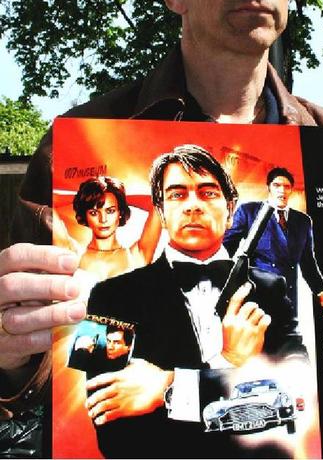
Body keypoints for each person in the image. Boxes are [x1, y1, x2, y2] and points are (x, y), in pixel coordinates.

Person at [0, 0, 323, 455]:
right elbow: (93, 413)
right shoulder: (77, 157)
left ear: (233, 206)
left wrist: (176, 386)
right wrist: (9, 351)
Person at [84, 144, 307, 458]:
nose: (192, 206)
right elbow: (111, 434)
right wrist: (228, 363)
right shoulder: (105, 297)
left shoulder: (271, 289)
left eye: (208, 193)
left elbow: (297, 396)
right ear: (160, 212)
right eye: (177, 194)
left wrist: (169, 387)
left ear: (231, 210)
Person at [224, 167, 323, 316]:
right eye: (277, 185)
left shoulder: (303, 221)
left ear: (291, 190)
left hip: (289, 297)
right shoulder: (249, 211)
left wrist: (321, 293)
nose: (282, 190)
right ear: (268, 187)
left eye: (286, 186)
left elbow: (308, 261)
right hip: (258, 295)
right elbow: (226, 248)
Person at [54, 176, 162, 281]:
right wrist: (84, 199)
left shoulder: (137, 255)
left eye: (110, 211)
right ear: (85, 215)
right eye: (94, 212)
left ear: (120, 213)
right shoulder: (72, 253)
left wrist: (119, 197)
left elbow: (159, 201)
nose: (103, 219)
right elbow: (51, 199)